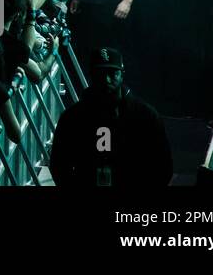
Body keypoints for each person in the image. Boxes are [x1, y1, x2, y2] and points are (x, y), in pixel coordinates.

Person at [49, 48, 173, 186]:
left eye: (112, 73)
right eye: (100, 74)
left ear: (122, 74)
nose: (106, 79)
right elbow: (59, 165)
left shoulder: (146, 116)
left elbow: (163, 167)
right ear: (91, 75)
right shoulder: (72, 118)